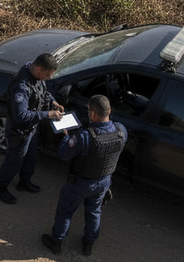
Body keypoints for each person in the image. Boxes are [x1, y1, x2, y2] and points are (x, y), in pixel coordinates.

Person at [41, 95, 127, 256]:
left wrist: (66, 138)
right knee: (94, 211)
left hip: (80, 183)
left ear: (93, 113)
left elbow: (65, 154)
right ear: (109, 111)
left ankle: (56, 242)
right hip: (104, 181)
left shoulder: (84, 136)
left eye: (88, 111)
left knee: (65, 211)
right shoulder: (121, 130)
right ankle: (88, 244)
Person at [0, 53, 64, 205]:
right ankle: (1, 188)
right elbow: (21, 116)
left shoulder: (36, 76)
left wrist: (53, 102)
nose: (49, 78)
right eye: (48, 74)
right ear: (38, 68)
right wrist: (48, 114)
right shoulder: (21, 86)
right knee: (14, 161)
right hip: (19, 131)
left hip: (32, 128)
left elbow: (42, 92)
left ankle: (24, 182)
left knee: (31, 157)